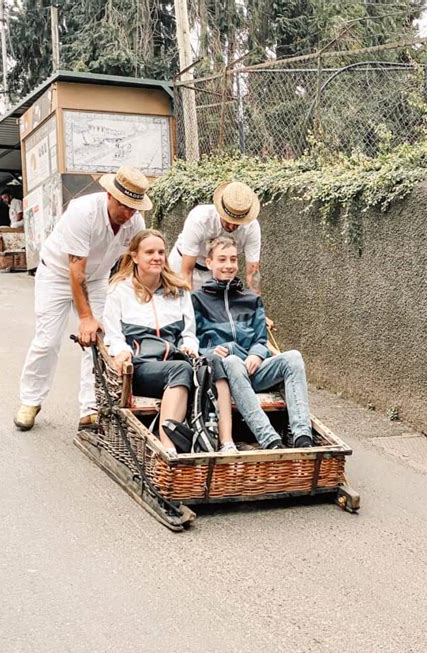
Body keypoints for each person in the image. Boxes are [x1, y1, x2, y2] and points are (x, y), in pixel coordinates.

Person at [14, 165, 149, 432]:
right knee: (47, 340)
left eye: (134, 207)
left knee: (98, 342)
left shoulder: (135, 222)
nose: (129, 213)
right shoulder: (82, 212)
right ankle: (30, 400)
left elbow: (127, 265)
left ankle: (90, 408)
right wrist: (86, 317)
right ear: (109, 195)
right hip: (57, 275)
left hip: (98, 280)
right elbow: (76, 271)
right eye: (124, 206)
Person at [103, 229, 236, 457]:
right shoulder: (119, 290)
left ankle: (227, 442)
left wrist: (190, 346)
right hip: (142, 367)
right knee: (181, 369)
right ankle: (167, 446)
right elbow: (113, 335)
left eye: (161, 252)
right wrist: (122, 351)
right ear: (135, 256)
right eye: (150, 252)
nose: (157, 257)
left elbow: (189, 333)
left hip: (176, 359)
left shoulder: (178, 290)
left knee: (213, 361)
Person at [191, 236, 313, 450]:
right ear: (209, 263)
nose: (228, 265)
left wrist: (257, 354)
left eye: (232, 260)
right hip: (221, 375)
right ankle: (270, 440)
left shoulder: (251, 299)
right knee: (232, 362)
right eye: (221, 260)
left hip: (252, 368)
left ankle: (303, 436)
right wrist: (211, 351)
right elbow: (192, 341)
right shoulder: (197, 300)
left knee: (293, 357)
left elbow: (260, 338)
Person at [169, 180, 262, 293]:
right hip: (183, 265)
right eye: (228, 220)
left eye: (238, 222)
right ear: (220, 211)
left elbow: (252, 272)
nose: (232, 226)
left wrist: (257, 303)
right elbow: (186, 272)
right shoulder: (199, 218)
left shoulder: (251, 227)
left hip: (214, 272)